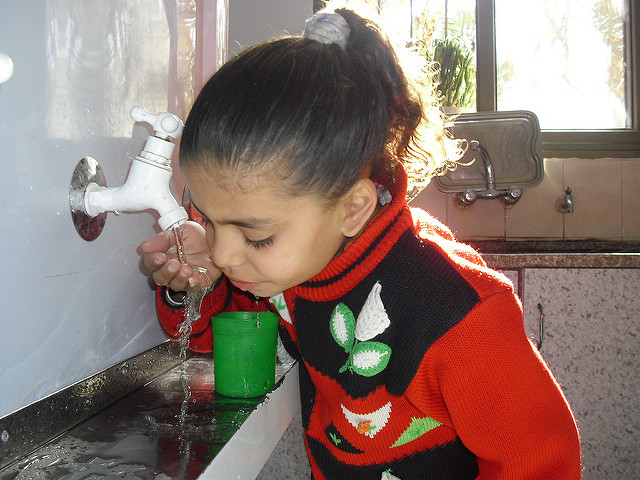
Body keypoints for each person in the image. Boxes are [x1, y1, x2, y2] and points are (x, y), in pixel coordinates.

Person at [140, 5, 581, 479]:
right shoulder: (301, 267)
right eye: (207, 219)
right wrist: (193, 288)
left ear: (353, 208)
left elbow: (539, 463)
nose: (225, 253)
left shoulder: (454, 313)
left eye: (254, 235)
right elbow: (228, 343)